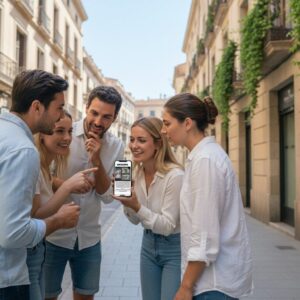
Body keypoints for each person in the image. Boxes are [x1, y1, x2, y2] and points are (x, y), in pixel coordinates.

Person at [161, 93, 253, 300]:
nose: (163, 130)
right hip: (210, 280)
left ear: (187, 123)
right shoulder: (203, 156)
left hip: (212, 283)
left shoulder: (205, 161)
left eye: (167, 123)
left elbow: (204, 235)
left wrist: (185, 287)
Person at [0, 70, 80, 300]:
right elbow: (13, 233)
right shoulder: (24, 150)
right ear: (37, 107)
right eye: (58, 107)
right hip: (7, 279)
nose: (60, 115)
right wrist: (58, 221)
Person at [44, 86, 124, 300]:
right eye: (95, 113)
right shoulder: (62, 130)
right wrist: (65, 184)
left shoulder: (119, 147)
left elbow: (112, 196)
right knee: (46, 295)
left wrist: (97, 159)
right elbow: (41, 174)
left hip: (90, 237)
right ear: (86, 107)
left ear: (115, 118)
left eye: (106, 117)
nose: (98, 122)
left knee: (86, 296)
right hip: (53, 234)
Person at [26, 111, 96, 300]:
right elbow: (33, 216)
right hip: (43, 246)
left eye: (70, 131)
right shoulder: (35, 165)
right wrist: (67, 186)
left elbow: (107, 197)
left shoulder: (47, 167)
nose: (67, 138)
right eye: (59, 131)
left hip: (86, 238)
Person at [112, 117, 184, 300]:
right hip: (148, 245)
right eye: (132, 139)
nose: (134, 145)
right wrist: (126, 203)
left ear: (158, 144)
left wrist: (136, 205)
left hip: (174, 248)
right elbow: (135, 220)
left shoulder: (175, 176)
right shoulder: (137, 173)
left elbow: (167, 226)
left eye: (141, 140)